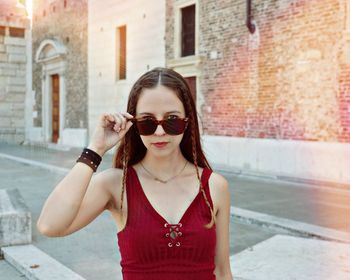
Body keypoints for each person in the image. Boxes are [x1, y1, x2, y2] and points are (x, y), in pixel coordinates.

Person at [37, 67, 233, 279]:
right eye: (147, 122)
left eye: (172, 120)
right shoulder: (115, 184)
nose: (160, 132)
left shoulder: (214, 186)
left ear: (187, 122)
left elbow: (222, 271)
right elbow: (49, 225)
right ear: (134, 123)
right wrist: (95, 149)